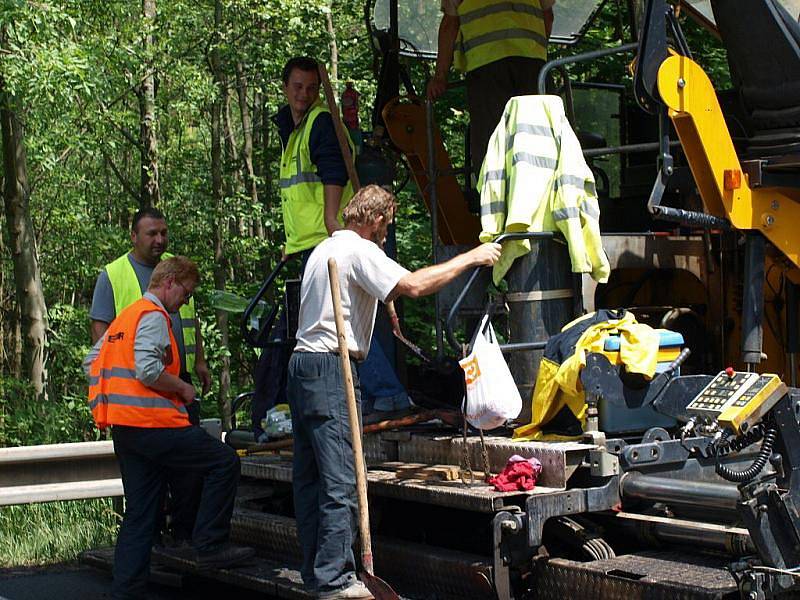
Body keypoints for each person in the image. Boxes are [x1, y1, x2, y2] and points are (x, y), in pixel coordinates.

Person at [287, 185, 501, 599]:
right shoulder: (360, 251)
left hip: (303, 365)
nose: (386, 236)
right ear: (375, 220)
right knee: (342, 479)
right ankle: (334, 580)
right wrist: (472, 256)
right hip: (332, 365)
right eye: (386, 227)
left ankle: (317, 572)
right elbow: (417, 285)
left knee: (311, 477)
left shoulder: (324, 250)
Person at [84, 257, 254, 600]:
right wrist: (181, 387)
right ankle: (209, 544)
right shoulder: (153, 315)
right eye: (187, 292)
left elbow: (92, 362)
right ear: (171, 282)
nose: (186, 301)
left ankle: (126, 592)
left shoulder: (124, 319)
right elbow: (147, 370)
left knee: (140, 513)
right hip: (156, 425)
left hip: (126, 430)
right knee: (223, 463)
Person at [253, 57, 406, 438]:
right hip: (307, 243)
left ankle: (385, 394)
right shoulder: (294, 128)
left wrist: (333, 224)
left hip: (325, 239)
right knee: (327, 326)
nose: (303, 95)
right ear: (286, 88)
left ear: (318, 91)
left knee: (336, 326)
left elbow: (333, 172)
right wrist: (292, 243)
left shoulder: (320, 122)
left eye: (310, 87)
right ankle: (372, 395)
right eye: (297, 87)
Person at [90, 206, 209, 544]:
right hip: (138, 393)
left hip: (176, 381)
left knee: (188, 474)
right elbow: (101, 333)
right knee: (147, 487)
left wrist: (200, 361)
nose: (159, 239)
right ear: (133, 236)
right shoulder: (114, 274)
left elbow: (191, 319)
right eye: (151, 234)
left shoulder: (177, 269)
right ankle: (153, 543)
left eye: (163, 233)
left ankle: (184, 540)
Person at [426, 0, 556, 176]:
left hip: (487, 65)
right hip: (533, 66)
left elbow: (450, 24)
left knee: (492, 142)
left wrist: (440, 77)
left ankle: (495, 197)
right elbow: (547, 17)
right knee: (541, 137)